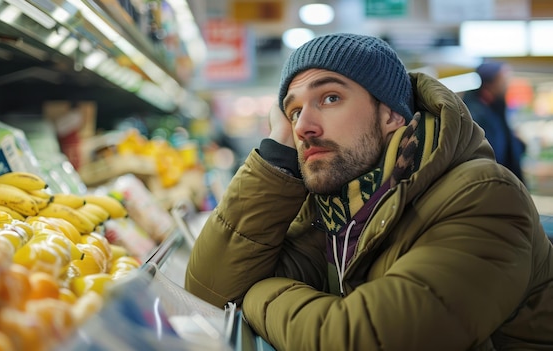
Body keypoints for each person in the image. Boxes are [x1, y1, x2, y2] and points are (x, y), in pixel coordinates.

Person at [185, 33, 553, 350]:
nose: (304, 127)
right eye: (293, 111)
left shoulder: (483, 196)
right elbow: (209, 294)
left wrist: (254, 296)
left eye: (330, 98)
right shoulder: (338, 208)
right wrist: (277, 151)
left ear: (391, 114)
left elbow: (365, 339)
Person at [462, 61, 526, 182]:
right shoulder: (475, 115)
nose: (508, 84)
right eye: (504, 79)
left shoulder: (496, 106)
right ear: (491, 83)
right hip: (492, 182)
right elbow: (491, 153)